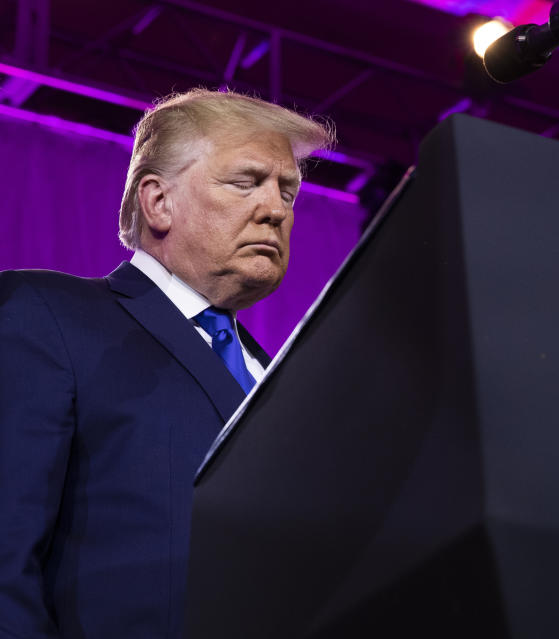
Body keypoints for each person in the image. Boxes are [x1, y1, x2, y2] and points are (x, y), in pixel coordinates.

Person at [0, 89, 334, 638]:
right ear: (158, 202)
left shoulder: (285, 382)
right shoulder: (48, 318)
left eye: (288, 191)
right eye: (246, 182)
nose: (276, 209)